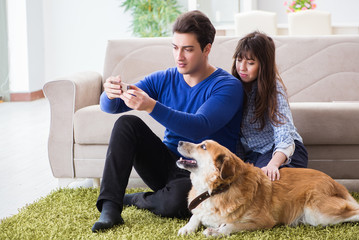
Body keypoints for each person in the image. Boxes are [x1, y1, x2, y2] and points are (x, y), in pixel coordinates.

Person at [92, 10, 244, 232]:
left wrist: (151, 106)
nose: (179, 56)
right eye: (175, 47)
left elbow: (200, 126)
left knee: (175, 203)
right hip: (168, 164)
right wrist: (110, 93)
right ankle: (110, 209)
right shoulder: (164, 78)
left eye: (188, 49)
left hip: (206, 174)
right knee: (126, 125)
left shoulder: (227, 86)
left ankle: (136, 199)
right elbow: (112, 107)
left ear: (207, 49)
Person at [231, 31, 308, 182]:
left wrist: (273, 164)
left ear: (263, 65)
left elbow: (284, 133)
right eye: (239, 60)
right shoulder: (232, 87)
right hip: (254, 155)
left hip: (282, 152)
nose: (242, 67)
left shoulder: (274, 89)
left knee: (267, 183)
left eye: (250, 63)